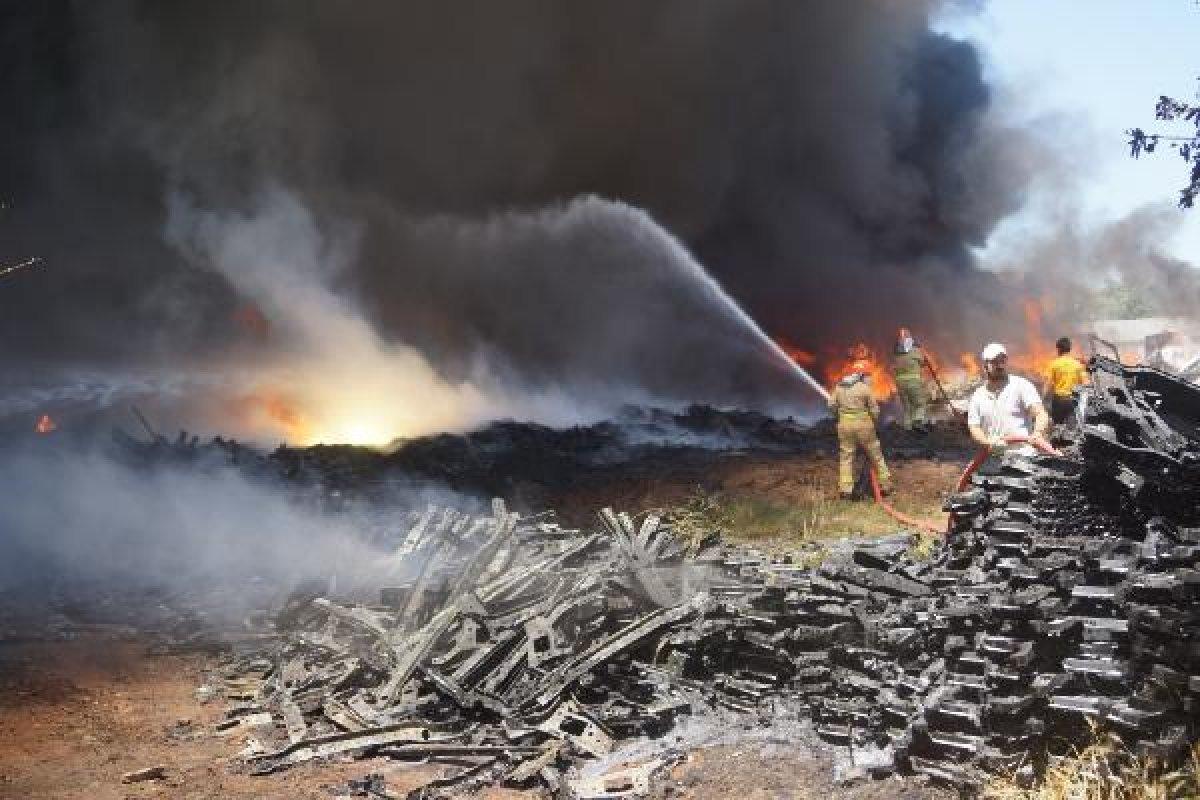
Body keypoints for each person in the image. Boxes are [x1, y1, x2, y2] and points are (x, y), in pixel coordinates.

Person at [967, 342, 1050, 455]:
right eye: (995, 361)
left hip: (1023, 456)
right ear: (985, 365)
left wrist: (1038, 433)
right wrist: (988, 443)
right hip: (992, 459)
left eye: (1003, 361)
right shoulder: (978, 396)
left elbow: (1040, 413)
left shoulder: (1021, 385)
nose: (1000, 365)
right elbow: (974, 427)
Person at [828, 359, 892, 499]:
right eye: (867, 375)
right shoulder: (864, 389)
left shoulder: (839, 387)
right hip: (864, 426)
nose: (868, 377)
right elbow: (874, 409)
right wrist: (874, 420)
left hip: (844, 426)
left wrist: (838, 416)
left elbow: (831, 405)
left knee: (846, 457)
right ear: (861, 375)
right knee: (876, 455)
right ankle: (885, 486)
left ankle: (845, 490)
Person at [892, 327, 932, 433]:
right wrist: (920, 352)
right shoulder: (915, 350)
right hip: (913, 382)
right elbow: (923, 363)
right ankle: (917, 422)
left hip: (900, 383)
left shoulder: (896, 353)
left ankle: (908, 429)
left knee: (907, 406)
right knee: (919, 404)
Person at [1043, 336, 1087, 425]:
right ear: (1069, 349)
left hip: (1059, 400)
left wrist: (1043, 399)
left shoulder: (1054, 364)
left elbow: (1048, 384)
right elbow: (1085, 384)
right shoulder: (1077, 365)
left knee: (1057, 426)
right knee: (1072, 428)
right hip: (1073, 401)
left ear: (1058, 349)